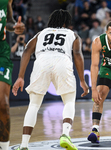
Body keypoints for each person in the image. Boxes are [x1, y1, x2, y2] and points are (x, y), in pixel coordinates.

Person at [12, 9, 89, 150]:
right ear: (67, 22)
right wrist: (82, 80)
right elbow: (77, 54)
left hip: (42, 61)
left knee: (34, 105)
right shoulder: (73, 34)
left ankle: (23, 145)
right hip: (62, 61)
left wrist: (20, 77)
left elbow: (27, 50)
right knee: (69, 101)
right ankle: (65, 135)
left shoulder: (41, 33)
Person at [0, 0, 25, 149]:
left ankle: (4, 147)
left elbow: (8, 21)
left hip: (1, 55)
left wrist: (14, 26)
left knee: (3, 104)